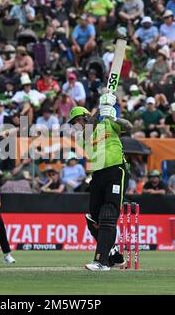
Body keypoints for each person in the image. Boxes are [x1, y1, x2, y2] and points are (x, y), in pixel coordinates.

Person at [67, 90, 133, 271]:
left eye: (75, 121)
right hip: (98, 174)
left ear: (84, 116)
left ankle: (102, 261)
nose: (74, 126)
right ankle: (115, 255)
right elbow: (90, 127)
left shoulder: (107, 124)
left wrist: (113, 117)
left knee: (108, 215)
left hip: (116, 169)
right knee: (92, 218)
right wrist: (102, 108)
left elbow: (129, 127)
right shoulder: (81, 136)